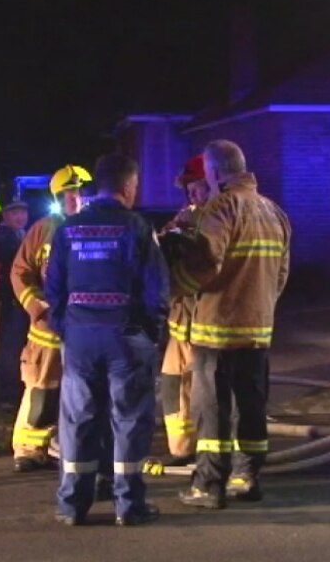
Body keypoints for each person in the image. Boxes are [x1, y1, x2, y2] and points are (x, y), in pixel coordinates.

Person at [47, 153, 169, 527]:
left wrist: (67, 330)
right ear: (128, 185)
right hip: (125, 336)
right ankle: (128, 505)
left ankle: (72, 505)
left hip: (80, 338)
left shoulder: (67, 229)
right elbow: (156, 290)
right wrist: (150, 333)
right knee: (129, 419)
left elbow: (54, 289)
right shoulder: (137, 227)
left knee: (78, 419)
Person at [172, 140, 291, 510]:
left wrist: (177, 286)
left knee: (211, 409)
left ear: (214, 171)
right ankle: (247, 477)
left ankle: (209, 485)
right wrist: (260, 308)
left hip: (216, 330)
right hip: (258, 330)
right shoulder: (274, 212)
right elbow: (281, 274)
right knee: (251, 405)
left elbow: (206, 263)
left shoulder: (221, 207)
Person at [9, 165, 92, 473]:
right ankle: (29, 449)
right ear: (57, 197)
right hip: (47, 329)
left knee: (78, 392)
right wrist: (37, 306)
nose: (75, 198)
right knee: (41, 389)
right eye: (68, 193)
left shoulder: (91, 226)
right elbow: (20, 272)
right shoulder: (43, 229)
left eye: (79, 192)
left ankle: (62, 446)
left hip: (81, 327)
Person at [145, 155, 213, 473]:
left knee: (207, 391)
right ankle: (183, 449)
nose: (191, 194)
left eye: (197, 187)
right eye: (188, 188)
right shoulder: (185, 216)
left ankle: (213, 453)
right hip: (181, 324)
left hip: (207, 324)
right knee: (173, 384)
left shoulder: (220, 220)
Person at [0, 198, 29, 410]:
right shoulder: (2, 239)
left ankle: (17, 390)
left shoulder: (21, 235)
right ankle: (9, 395)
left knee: (18, 347)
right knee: (10, 349)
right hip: (9, 301)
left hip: (20, 300)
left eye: (23, 212)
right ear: (5, 215)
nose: (20, 217)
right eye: (15, 213)